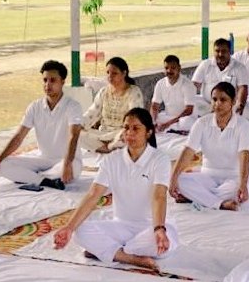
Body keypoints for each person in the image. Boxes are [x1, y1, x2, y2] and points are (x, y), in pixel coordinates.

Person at [54, 108, 177, 271]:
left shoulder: (160, 159)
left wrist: (159, 229)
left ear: (148, 132)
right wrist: (69, 228)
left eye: (136, 128)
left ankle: (108, 250)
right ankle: (129, 257)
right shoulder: (112, 159)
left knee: (162, 245)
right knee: (79, 230)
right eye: (126, 128)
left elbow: (159, 196)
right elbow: (93, 194)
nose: (129, 133)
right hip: (121, 227)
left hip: (151, 228)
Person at [0, 60, 82, 190]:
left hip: (66, 161)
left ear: (62, 82)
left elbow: (74, 136)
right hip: (43, 161)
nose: (47, 85)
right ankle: (46, 180)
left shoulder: (73, 106)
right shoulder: (34, 107)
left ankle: (33, 178)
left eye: (52, 80)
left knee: (74, 167)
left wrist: (67, 163)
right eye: (45, 80)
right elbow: (19, 137)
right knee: (3, 165)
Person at [170, 82, 249, 211]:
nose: (217, 104)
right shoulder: (202, 123)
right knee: (178, 180)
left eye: (223, 100)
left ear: (233, 101)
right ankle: (220, 203)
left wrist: (243, 185)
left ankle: (197, 197)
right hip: (208, 176)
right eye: (214, 99)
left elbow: (244, 157)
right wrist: (173, 178)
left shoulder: (244, 126)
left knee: (236, 192)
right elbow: (188, 151)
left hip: (234, 178)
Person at [79, 56, 144, 154]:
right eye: (108, 73)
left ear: (124, 73)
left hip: (121, 133)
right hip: (102, 133)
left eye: (114, 73)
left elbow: (134, 119)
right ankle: (108, 148)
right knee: (76, 133)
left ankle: (107, 147)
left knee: (127, 136)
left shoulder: (134, 92)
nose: (110, 76)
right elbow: (92, 113)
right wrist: (78, 125)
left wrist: (122, 133)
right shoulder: (104, 92)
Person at [192, 38, 249, 116]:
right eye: (217, 51)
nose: (220, 54)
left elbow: (243, 88)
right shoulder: (205, 64)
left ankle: (215, 116)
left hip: (230, 105)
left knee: (245, 110)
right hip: (208, 104)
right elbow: (194, 85)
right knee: (193, 103)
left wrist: (240, 104)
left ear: (230, 51)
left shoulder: (239, 67)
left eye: (224, 51)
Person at [150, 54, 197, 132]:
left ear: (179, 68)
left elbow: (189, 110)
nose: (169, 71)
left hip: (185, 118)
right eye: (166, 68)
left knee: (185, 123)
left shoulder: (187, 84)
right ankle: (170, 128)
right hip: (168, 116)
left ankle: (170, 128)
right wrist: (153, 122)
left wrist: (168, 124)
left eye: (173, 68)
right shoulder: (160, 83)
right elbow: (154, 106)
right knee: (152, 119)